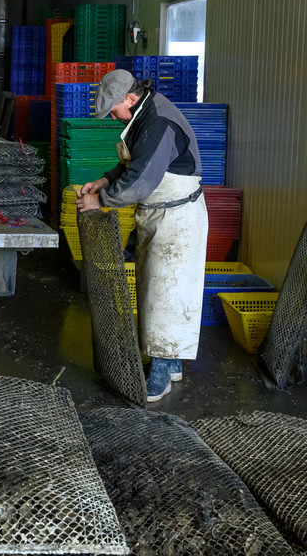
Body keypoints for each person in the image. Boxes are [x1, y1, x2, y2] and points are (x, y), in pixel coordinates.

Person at [76, 70, 209, 402]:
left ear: (130, 99)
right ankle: (171, 363)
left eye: (114, 111)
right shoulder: (144, 113)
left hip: (177, 218)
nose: (113, 118)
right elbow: (134, 163)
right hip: (157, 214)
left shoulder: (159, 122)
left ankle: (160, 377)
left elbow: (140, 182)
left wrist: (100, 200)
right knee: (155, 290)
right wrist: (105, 181)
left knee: (166, 295)